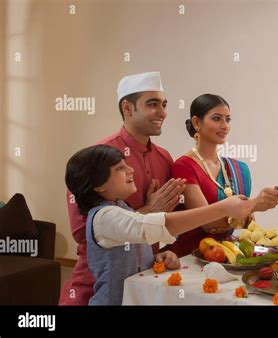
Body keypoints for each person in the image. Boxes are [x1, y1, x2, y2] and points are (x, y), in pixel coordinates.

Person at [65, 144, 254, 305]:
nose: (130, 170)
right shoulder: (103, 217)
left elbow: (132, 245)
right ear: (99, 186)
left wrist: (156, 257)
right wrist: (222, 208)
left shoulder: (121, 208)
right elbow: (158, 226)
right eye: (119, 168)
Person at [60, 72, 186, 305]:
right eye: (152, 104)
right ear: (127, 108)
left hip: (146, 278)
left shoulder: (165, 157)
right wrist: (145, 212)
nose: (163, 112)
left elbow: (173, 218)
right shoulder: (98, 157)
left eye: (164, 104)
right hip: (97, 283)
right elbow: (82, 231)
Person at [165, 94, 278, 257]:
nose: (225, 125)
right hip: (191, 256)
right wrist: (253, 205)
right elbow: (206, 223)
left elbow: (249, 224)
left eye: (228, 119)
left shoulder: (239, 169)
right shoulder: (184, 166)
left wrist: (236, 216)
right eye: (217, 118)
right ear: (196, 122)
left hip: (230, 254)